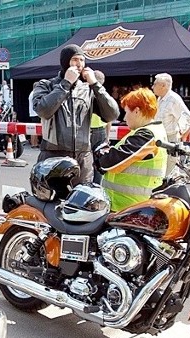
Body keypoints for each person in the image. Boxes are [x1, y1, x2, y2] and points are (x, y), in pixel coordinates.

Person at [32, 43, 119, 185]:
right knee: (53, 202)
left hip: (82, 158)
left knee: (81, 202)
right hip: (53, 156)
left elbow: (112, 114)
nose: (79, 64)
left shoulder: (87, 89)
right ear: (65, 62)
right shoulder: (46, 85)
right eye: (74, 60)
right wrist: (65, 84)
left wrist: (95, 84)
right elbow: (43, 110)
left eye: (82, 60)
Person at [94, 88, 167, 212]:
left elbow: (110, 162)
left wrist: (101, 155)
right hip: (130, 206)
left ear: (137, 111)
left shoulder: (146, 135)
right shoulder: (148, 131)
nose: (125, 118)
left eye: (126, 112)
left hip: (130, 208)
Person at [152, 72, 190, 176]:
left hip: (170, 139)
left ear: (163, 86)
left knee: (169, 171)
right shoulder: (160, 99)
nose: (153, 86)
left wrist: (182, 135)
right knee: (161, 170)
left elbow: (188, 119)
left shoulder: (173, 99)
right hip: (160, 139)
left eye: (155, 84)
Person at [90, 70, 113, 184]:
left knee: (82, 159)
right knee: (99, 161)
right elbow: (109, 119)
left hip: (84, 131)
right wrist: (107, 137)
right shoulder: (105, 96)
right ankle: (97, 185)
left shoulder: (84, 94)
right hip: (100, 131)